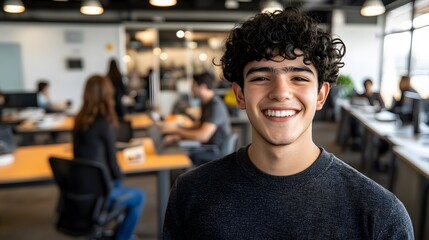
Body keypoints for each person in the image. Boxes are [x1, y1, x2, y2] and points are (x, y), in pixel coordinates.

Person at [163, 8, 413, 239]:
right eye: (261, 77)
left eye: (298, 78)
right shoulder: (191, 193)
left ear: (321, 95)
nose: (281, 92)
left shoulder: (379, 215)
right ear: (240, 95)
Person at [73, 75, 144, 240]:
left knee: (118, 182)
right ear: (108, 94)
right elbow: (112, 163)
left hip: (82, 188)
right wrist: (120, 175)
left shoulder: (79, 120)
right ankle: (123, 237)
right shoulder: (104, 123)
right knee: (139, 195)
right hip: (101, 191)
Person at [163, 72, 232, 166]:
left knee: (180, 154)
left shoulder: (215, 107)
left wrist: (178, 131)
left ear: (202, 87)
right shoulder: (206, 102)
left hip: (214, 151)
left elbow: (203, 136)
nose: (191, 89)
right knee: (175, 148)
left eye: (193, 86)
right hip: (207, 146)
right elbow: (200, 124)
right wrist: (179, 131)